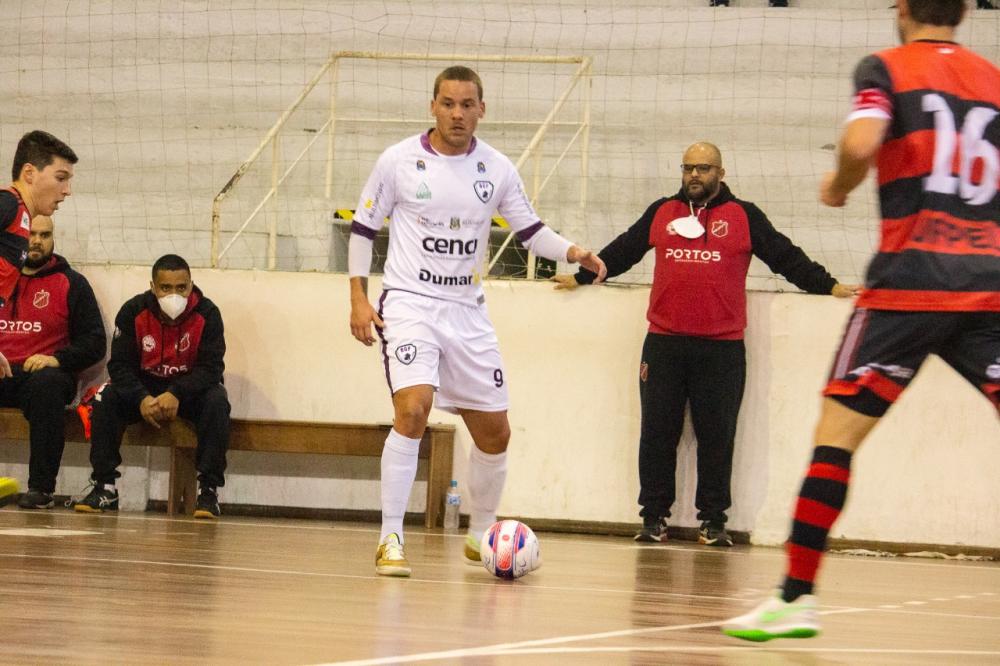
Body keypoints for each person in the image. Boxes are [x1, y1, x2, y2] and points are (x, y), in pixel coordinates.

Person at [723, 0, 1000, 641]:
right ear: (963, 11)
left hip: (907, 287)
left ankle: (794, 598)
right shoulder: (992, 79)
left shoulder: (887, 68)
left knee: (837, 439)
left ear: (901, 9)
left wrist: (840, 182)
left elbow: (862, 140)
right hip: (988, 287)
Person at [349, 65, 607, 577]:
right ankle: (390, 538)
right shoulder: (398, 161)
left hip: (467, 310)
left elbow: (531, 231)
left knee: (496, 434)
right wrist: (358, 298)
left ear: (482, 109)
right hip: (409, 304)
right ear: (432, 106)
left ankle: (481, 534)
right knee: (414, 410)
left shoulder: (497, 168)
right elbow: (363, 228)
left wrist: (573, 250)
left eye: (468, 105)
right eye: (448, 103)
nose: (458, 114)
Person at [553, 142, 856, 548]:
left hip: (722, 349)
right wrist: (584, 277)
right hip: (664, 345)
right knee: (658, 434)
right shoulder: (662, 212)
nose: (694, 175)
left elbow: (786, 257)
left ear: (721, 173)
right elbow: (624, 249)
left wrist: (829, 285)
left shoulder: (744, 216)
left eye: (704, 168)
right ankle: (654, 518)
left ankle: (713, 522)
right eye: (688, 168)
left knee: (718, 436)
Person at [74, 254, 229, 519]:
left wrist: (176, 392)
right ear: (153, 287)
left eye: (181, 287)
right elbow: (120, 366)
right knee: (105, 398)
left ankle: (209, 492)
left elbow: (212, 368)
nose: (174, 294)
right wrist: (141, 398)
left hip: (187, 392)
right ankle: (105, 487)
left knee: (217, 400)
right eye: (166, 288)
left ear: (191, 285)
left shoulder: (208, 313)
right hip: (144, 388)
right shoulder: (133, 311)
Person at [0, 215, 105, 509]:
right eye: (31, 233)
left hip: (42, 375)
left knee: (48, 388)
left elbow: (95, 342)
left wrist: (55, 360)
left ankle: (41, 489)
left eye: (44, 235)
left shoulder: (72, 283)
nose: (36, 241)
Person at [0, 130, 77, 376]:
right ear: (30, 173)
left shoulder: (21, 215)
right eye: (60, 178)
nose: (67, 190)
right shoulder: (7, 204)